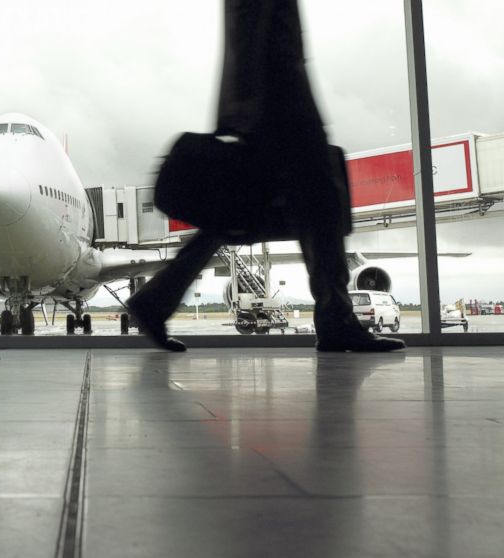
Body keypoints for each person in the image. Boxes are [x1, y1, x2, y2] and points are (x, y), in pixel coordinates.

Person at [127, 0, 405, 353]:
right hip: (282, 106)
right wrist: (248, 111)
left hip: (273, 103)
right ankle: (337, 321)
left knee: (242, 214)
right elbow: (253, 28)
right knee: (319, 203)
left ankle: (155, 300)